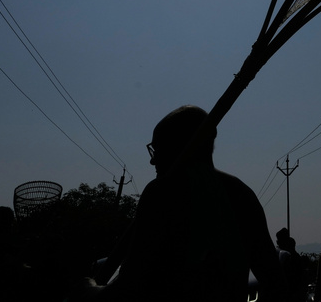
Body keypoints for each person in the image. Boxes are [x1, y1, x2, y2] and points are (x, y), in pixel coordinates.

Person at [80, 105, 282, 302]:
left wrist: (89, 291)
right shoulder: (241, 194)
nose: (153, 160)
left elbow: (128, 287)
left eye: (159, 148)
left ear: (181, 145)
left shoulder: (162, 191)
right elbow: (274, 282)